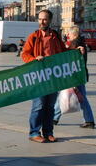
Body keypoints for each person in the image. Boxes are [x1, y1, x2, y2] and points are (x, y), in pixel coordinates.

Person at [21, 9, 82, 143]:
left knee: (49, 106)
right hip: (39, 77)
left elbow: (63, 52)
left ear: (50, 21)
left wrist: (75, 51)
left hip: (53, 77)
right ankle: (34, 133)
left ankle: (48, 132)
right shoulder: (34, 37)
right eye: (40, 19)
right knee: (38, 105)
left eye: (44, 19)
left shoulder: (55, 36)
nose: (42, 22)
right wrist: (35, 59)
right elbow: (24, 54)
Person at [53, 26, 95, 128]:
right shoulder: (80, 43)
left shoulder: (76, 44)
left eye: (69, 34)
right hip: (79, 75)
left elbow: (69, 57)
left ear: (75, 35)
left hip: (75, 75)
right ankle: (54, 117)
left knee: (69, 96)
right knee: (68, 95)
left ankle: (54, 118)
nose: (68, 35)